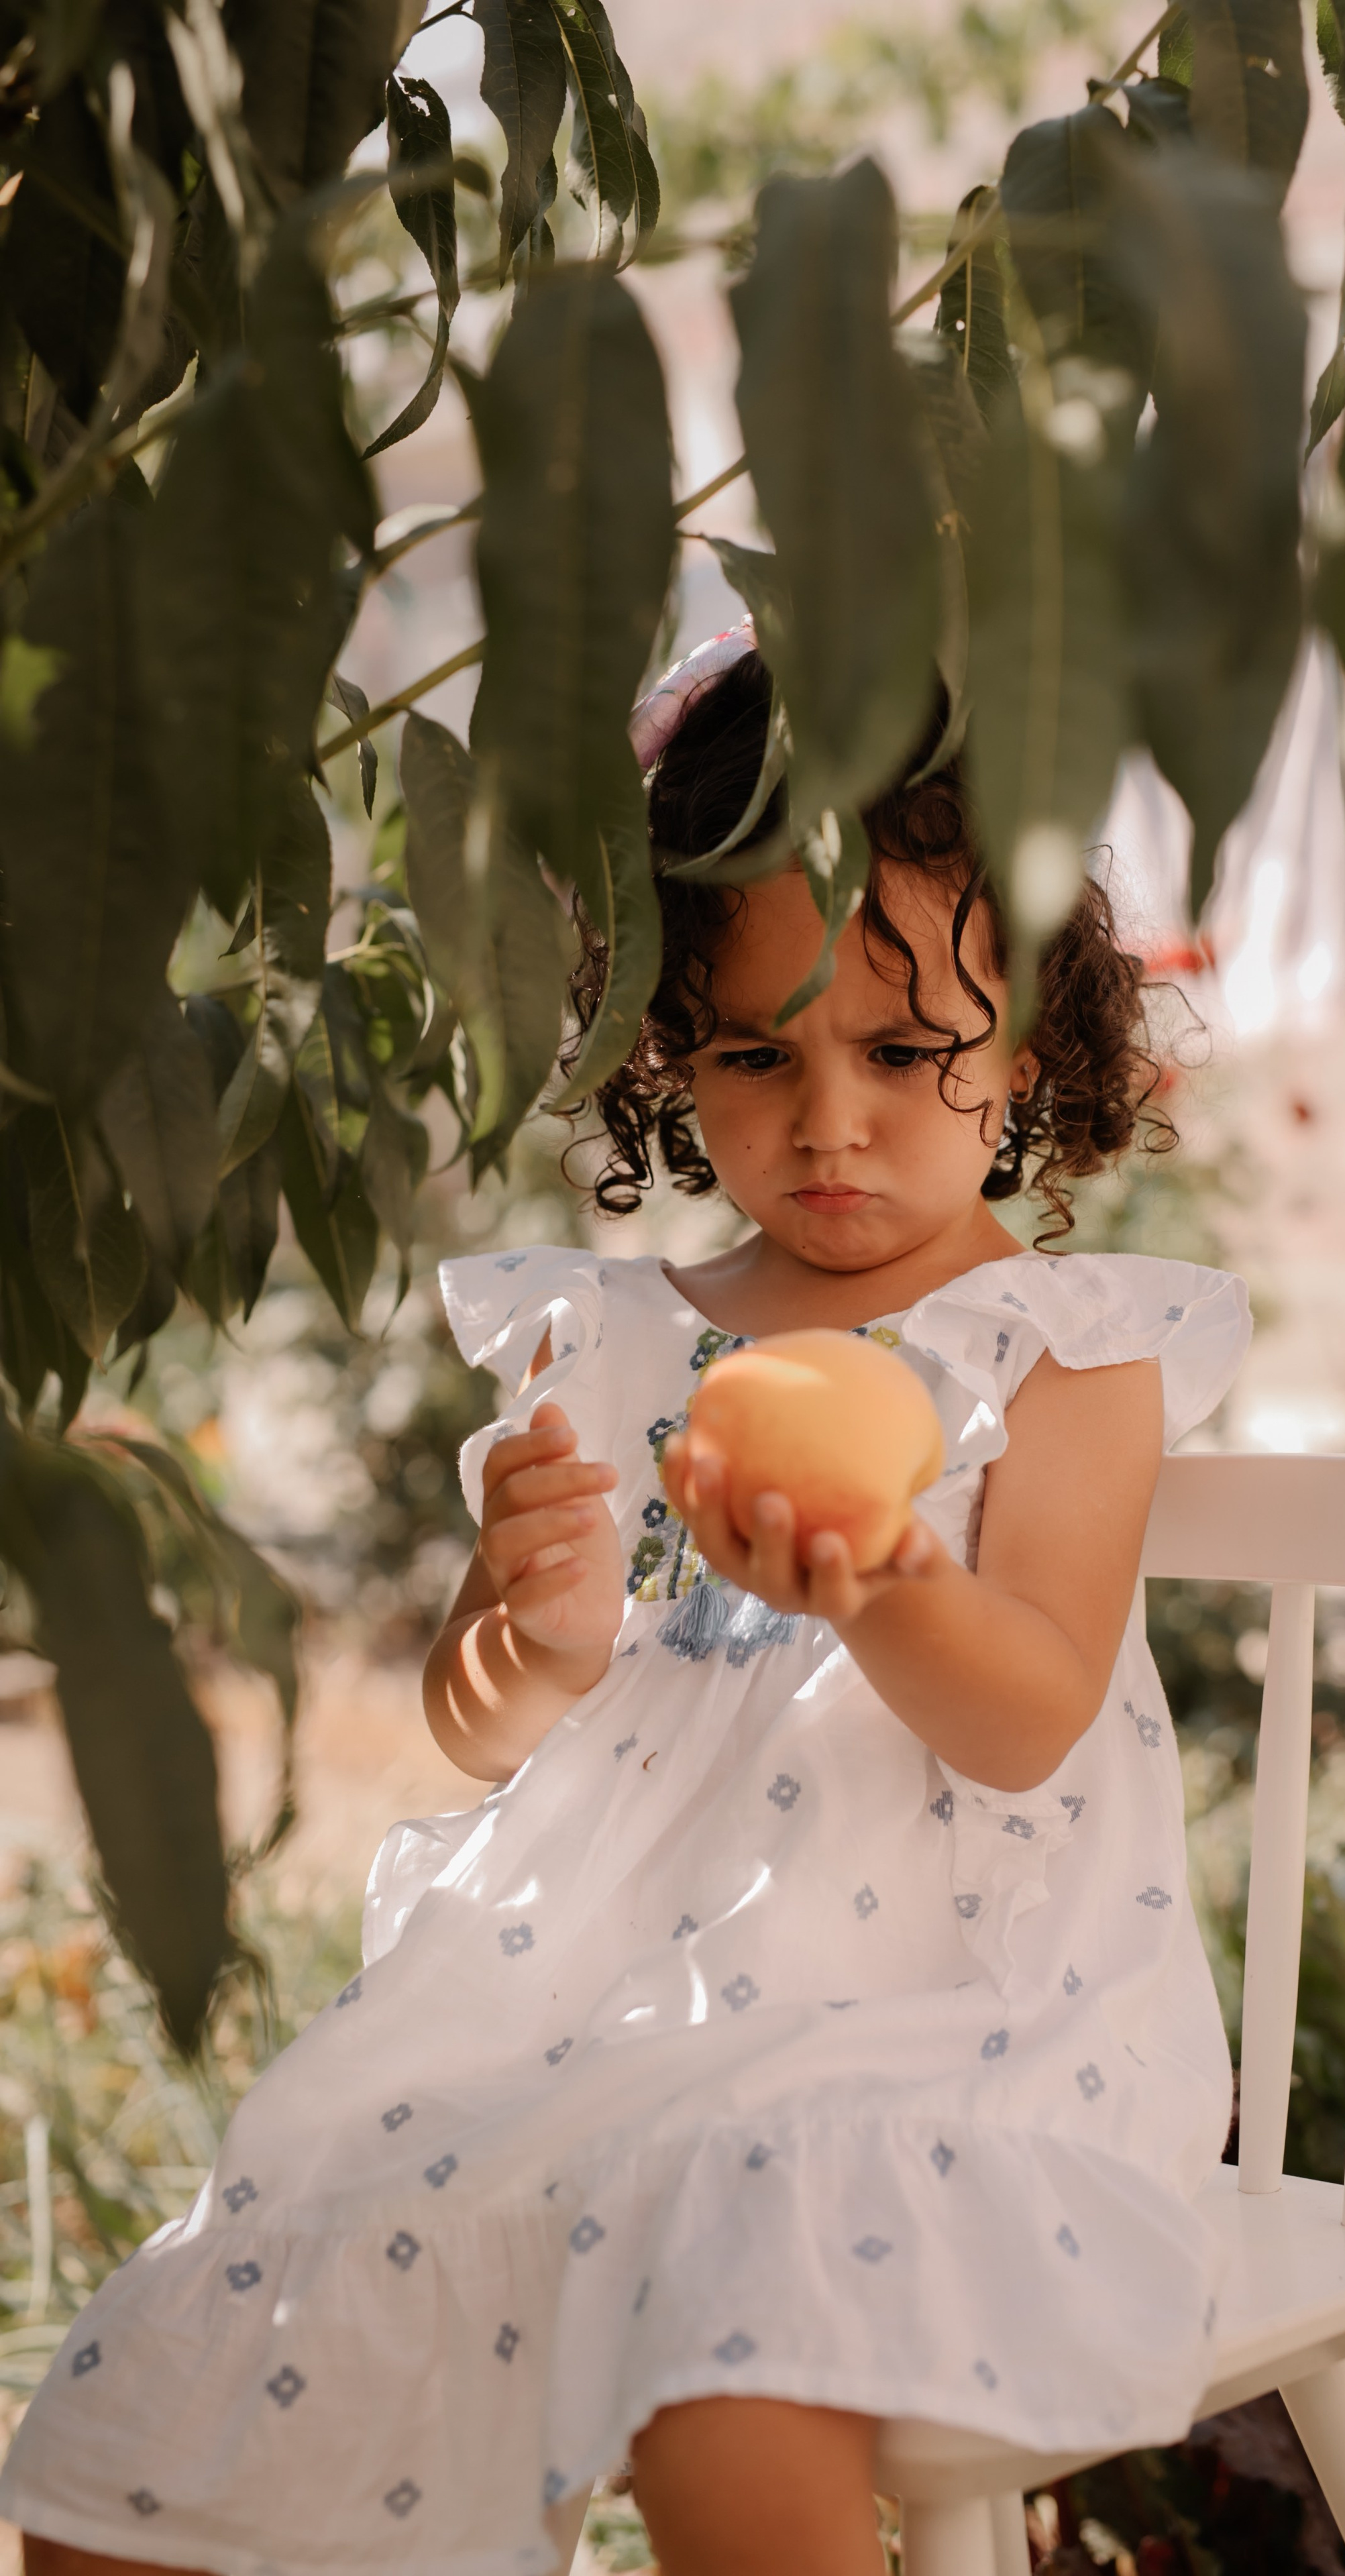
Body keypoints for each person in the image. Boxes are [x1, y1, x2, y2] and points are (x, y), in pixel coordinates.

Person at [3, 635, 1250, 2576]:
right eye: (756, 1052)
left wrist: (883, 1567)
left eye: (906, 1053)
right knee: (178, 2386)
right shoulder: (611, 1342)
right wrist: (528, 1636)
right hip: (589, 2012)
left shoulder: (1056, 1348)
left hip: (941, 2029)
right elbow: (483, 1726)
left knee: (728, 2368)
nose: (828, 1123)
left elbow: (1028, 1717)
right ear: (666, 1052)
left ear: (1035, 1043)